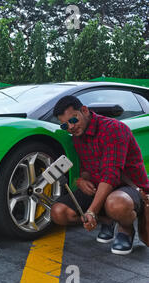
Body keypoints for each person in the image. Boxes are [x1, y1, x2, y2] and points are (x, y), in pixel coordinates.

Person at [50, 95, 149, 255]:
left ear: (84, 110)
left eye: (73, 120)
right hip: (99, 187)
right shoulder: (78, 136)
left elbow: (111, 176)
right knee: (58, 212)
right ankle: (108, 221)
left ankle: (126, 229)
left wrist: (91, 212)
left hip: (127, 188)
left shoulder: (113, 129)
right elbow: (86, 169)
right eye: (64, 125)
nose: (71, 127)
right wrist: (81, 180)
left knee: (116, 204)